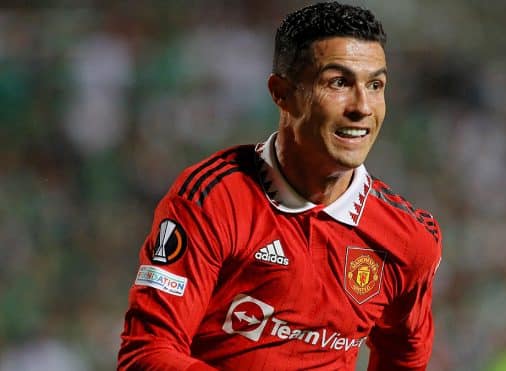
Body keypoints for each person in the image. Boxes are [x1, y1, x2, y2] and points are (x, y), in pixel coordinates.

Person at [117, 2, 442, 370]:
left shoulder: (409, 239)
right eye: (338, 82)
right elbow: (146, 355)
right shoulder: (213, 197)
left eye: (375, 85)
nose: (362, 106)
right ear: (281, 93)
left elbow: (405, 358)